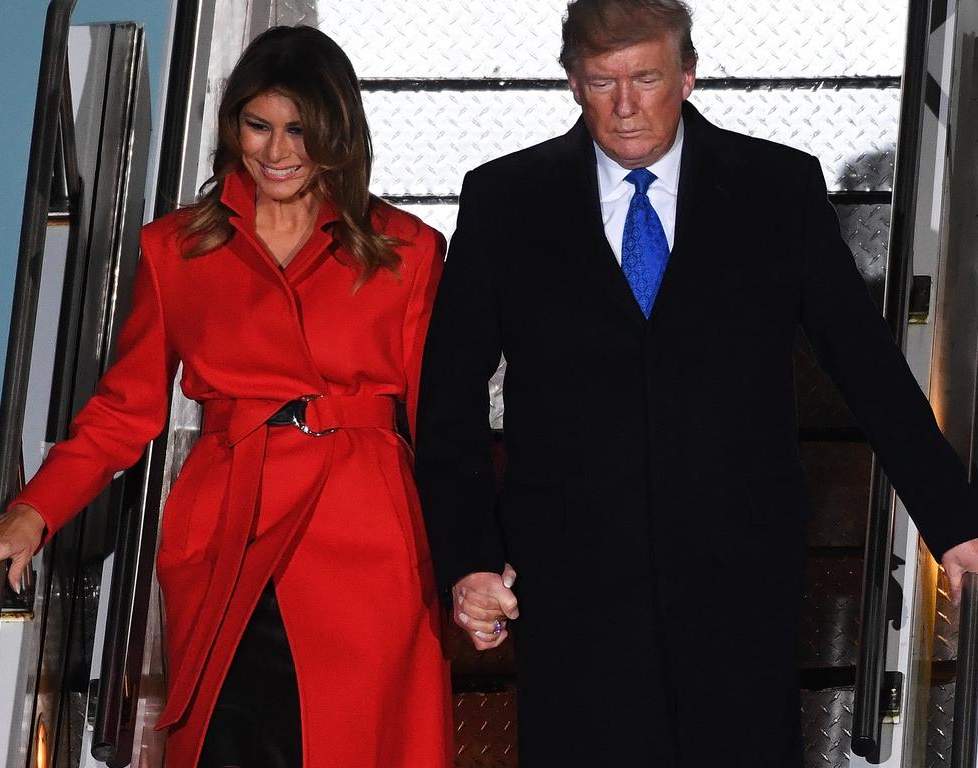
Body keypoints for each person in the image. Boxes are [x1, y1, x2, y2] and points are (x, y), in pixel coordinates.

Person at [414, 1, 978, 766]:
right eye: (601, 81)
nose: (625, 105)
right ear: (572, 82)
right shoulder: (504, 201)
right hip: (571, 586)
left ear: (686, 74)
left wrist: (954, 518)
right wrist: (469, 559)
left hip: (740, 578)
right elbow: (447, 403)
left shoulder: (778, 188)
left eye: (645, 77)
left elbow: (866, 362)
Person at [0, 26, 451, 768]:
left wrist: (473, 561)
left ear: (339, 132)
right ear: (234, 128)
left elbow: (438, 422)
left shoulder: (407, 248)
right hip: (227, 529)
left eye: (300, 129)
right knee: (231, 742)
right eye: (259, 126)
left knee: (349, 741)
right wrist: (35, 510)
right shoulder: (178, 249)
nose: (278, 151)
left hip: (364, 542)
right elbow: (125, 409)